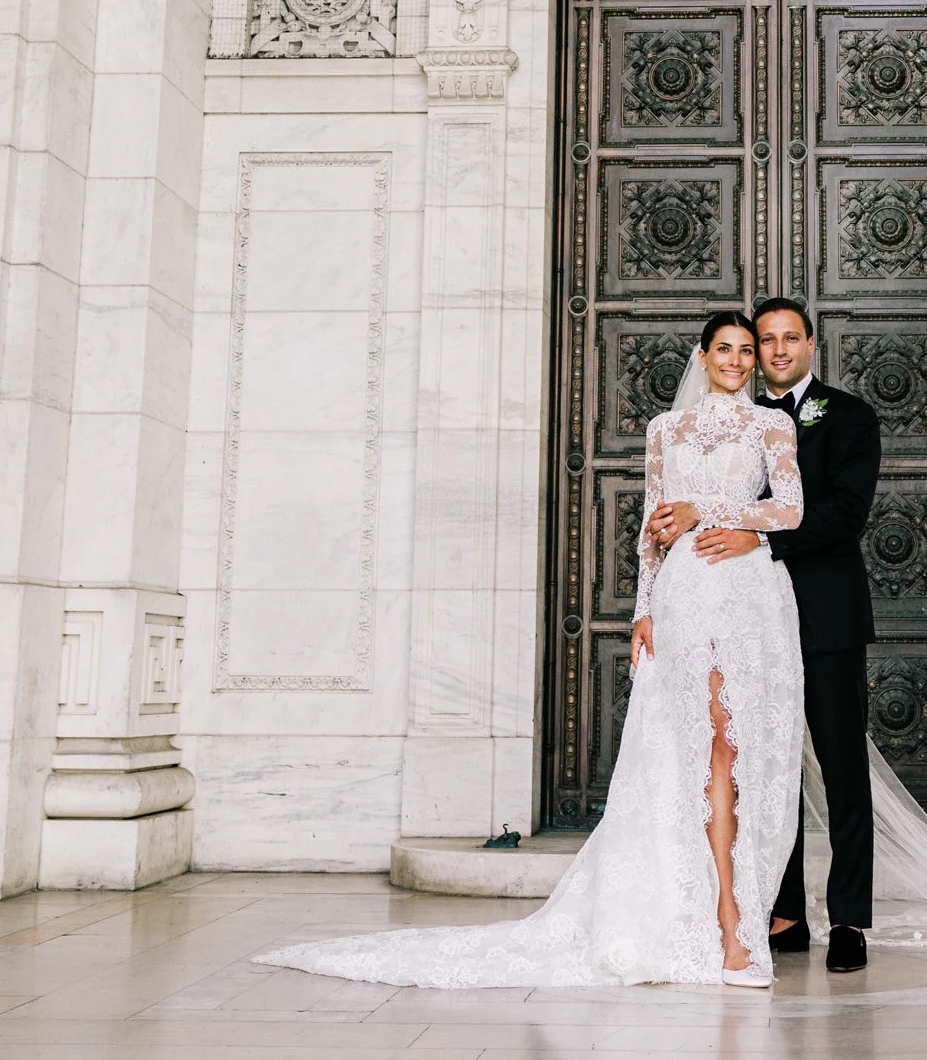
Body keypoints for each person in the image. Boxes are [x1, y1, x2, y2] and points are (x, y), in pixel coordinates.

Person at [254, 310, 806, 988]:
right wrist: (643, 611)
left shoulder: (771, 425)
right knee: (690, 751)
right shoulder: (665, 430)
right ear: (703, 354)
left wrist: (715, 514)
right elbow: (651, 529)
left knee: (732, 746)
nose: (738, 360)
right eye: (725, 348)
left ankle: (733, 925)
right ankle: (710, 918)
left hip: (748, 593)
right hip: (687, 593)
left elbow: (791, 509)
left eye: (747, 350)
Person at [648, 297, 878, 973]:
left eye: (787, 338)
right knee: (758, 758)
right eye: (763, 339)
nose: (775, 350)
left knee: (840, 768)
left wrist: (756, 533)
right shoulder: (729, 419)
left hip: (825, 612)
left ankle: (849, 919)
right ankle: (782, 912)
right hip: (741, 613)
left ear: (811, 343)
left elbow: (843, 512)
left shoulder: (850, 415)